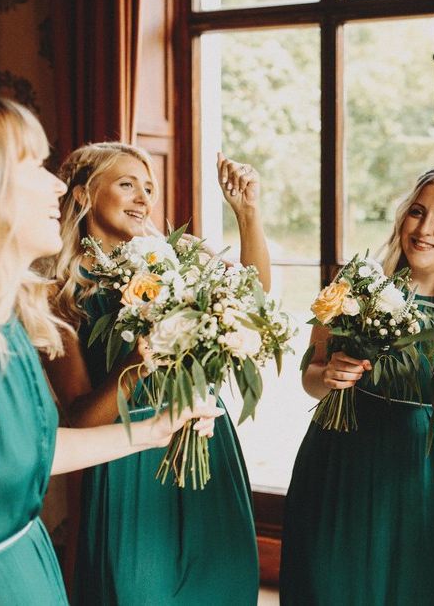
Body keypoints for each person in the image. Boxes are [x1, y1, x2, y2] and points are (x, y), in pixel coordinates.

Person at [0, 95, 220, 604]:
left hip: (29, 565)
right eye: (34, 165)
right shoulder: (55, 304)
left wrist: (158, 427)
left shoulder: (9, 318)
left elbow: (40, 452)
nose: (58, 184)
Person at [42, 142, 269, 605]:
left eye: (149, 187)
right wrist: (136, 361)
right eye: (127, 185)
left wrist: (247, 213)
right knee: (140, 591)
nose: (144, 198)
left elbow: (252, 300)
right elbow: (81, 421)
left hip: (204, 439)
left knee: (222, 583)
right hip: (128, 464)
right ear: (83, 196)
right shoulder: (59, 295)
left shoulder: (179, 258)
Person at [281, 168, 434, 605]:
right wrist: (331, 375)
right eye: (417, 212)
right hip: (342, 466)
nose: (424, 229)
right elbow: (311, 376)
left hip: (428, 481)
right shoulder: (352, 288)